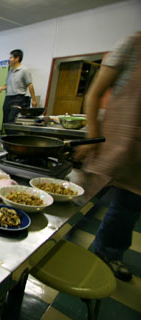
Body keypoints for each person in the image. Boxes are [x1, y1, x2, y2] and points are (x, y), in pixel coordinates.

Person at [75, 32, 141, 282]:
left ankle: (108, 252)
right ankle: (58, 241)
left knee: (129, 205)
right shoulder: (133, 44)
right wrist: (93, 136)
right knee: (81, 195)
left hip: (137, 151)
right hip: (112, 139)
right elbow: (94, 93)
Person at [0, 49, 38, 123]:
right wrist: (2, 87)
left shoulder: (24, 70)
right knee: (5, 120)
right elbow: (8, 84)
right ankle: (8, 134)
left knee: (11, 119)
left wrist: (34, 100)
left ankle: (13, 134)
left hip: (18, 98)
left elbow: (30, 85)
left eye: (11, 57)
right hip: (8, 98)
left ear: (17, 58)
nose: (9, 59)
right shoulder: (10, 72)